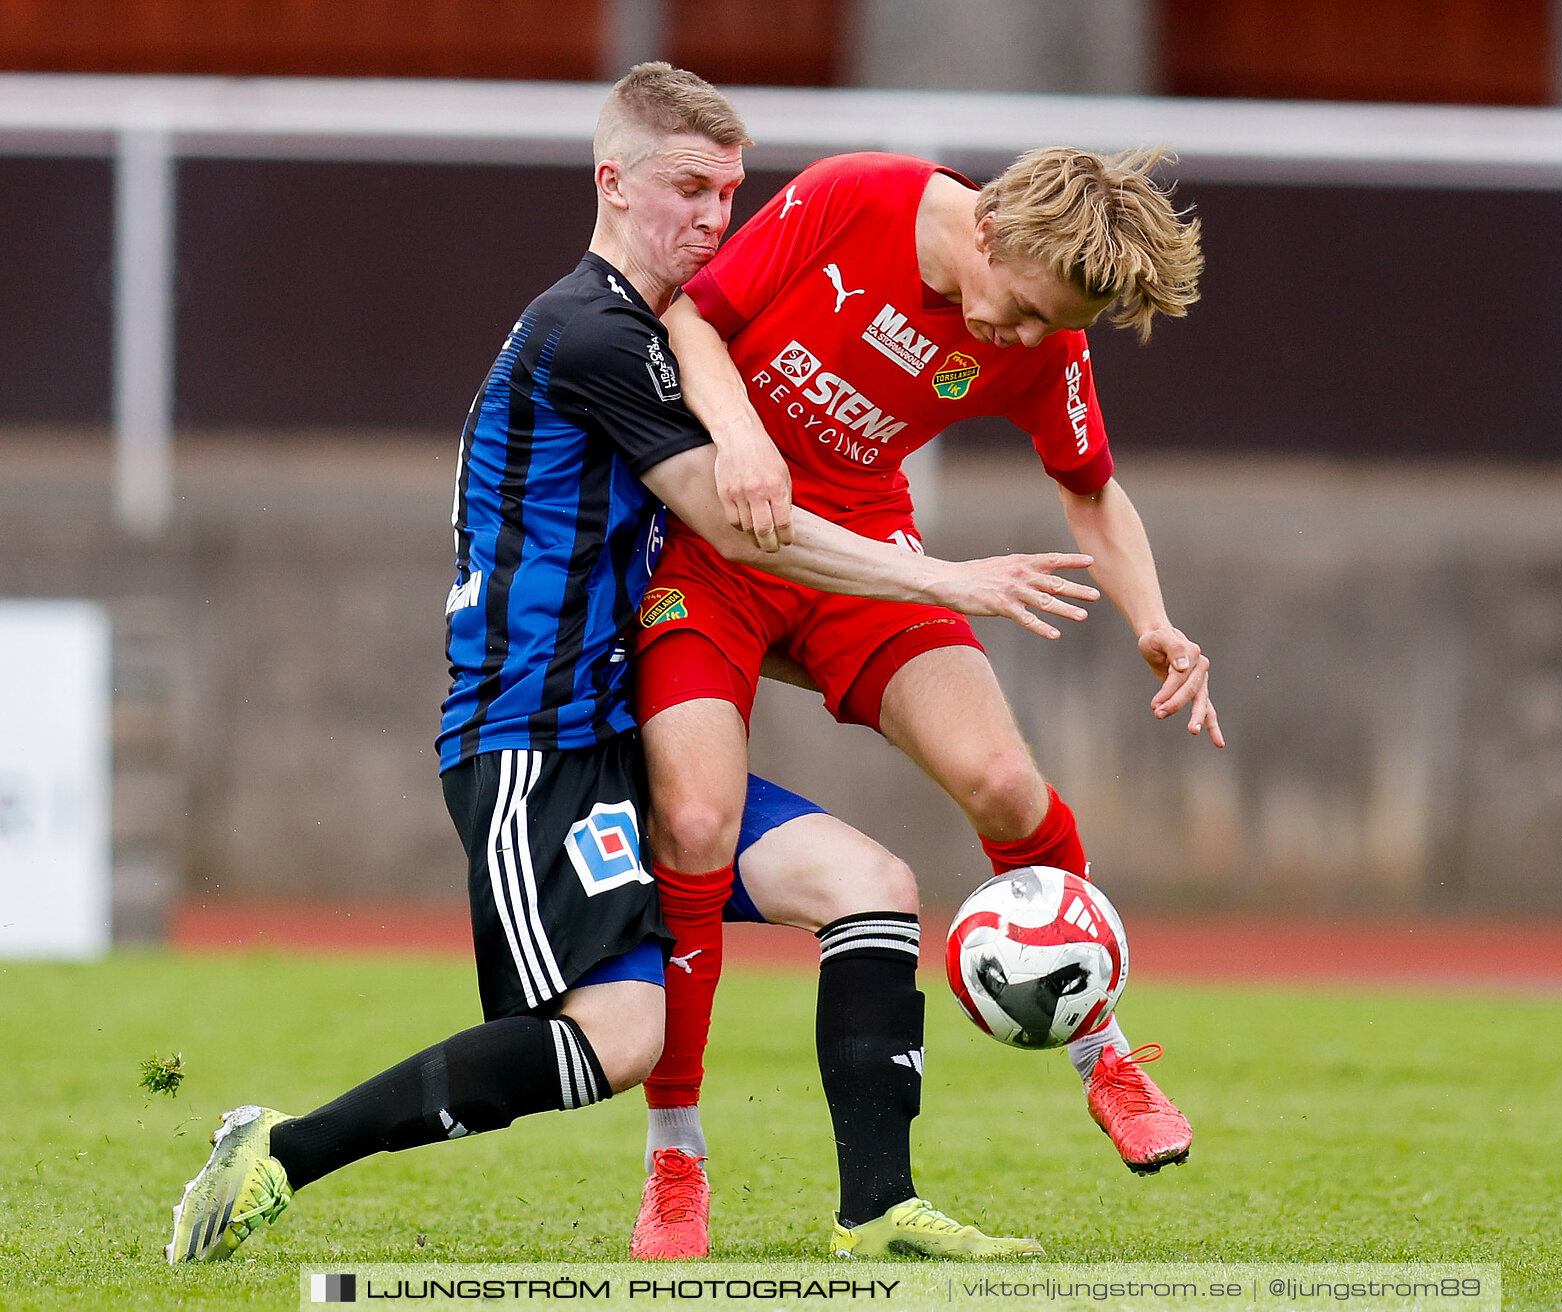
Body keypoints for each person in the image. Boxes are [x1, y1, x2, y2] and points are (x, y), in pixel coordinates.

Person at [166, 64, 1090, 1266]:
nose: (716, 218)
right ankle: (281, 1153)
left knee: (872, 886)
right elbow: (735, 521)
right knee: (616, 1040)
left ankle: (880, 1210)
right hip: (531, 743)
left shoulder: (649, 331)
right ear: (615, 184)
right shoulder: (590, 330)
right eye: (691, 191)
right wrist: (941, 580)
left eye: (730, 194)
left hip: (613, 731)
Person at [626, 145, 1223, 1258]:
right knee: (696, 819)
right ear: (992, 230)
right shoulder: (857, 197)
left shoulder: (1048, 335)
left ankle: (1107, 1054)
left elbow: (1089, 487)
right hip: (712, 551)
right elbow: (693, 324)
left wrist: (1155, 621)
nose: (1028, 340)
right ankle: (676, 1154)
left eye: (1056, 327)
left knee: (1003, 779)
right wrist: (745, 444)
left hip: (865, 557)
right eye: (1027, 311)